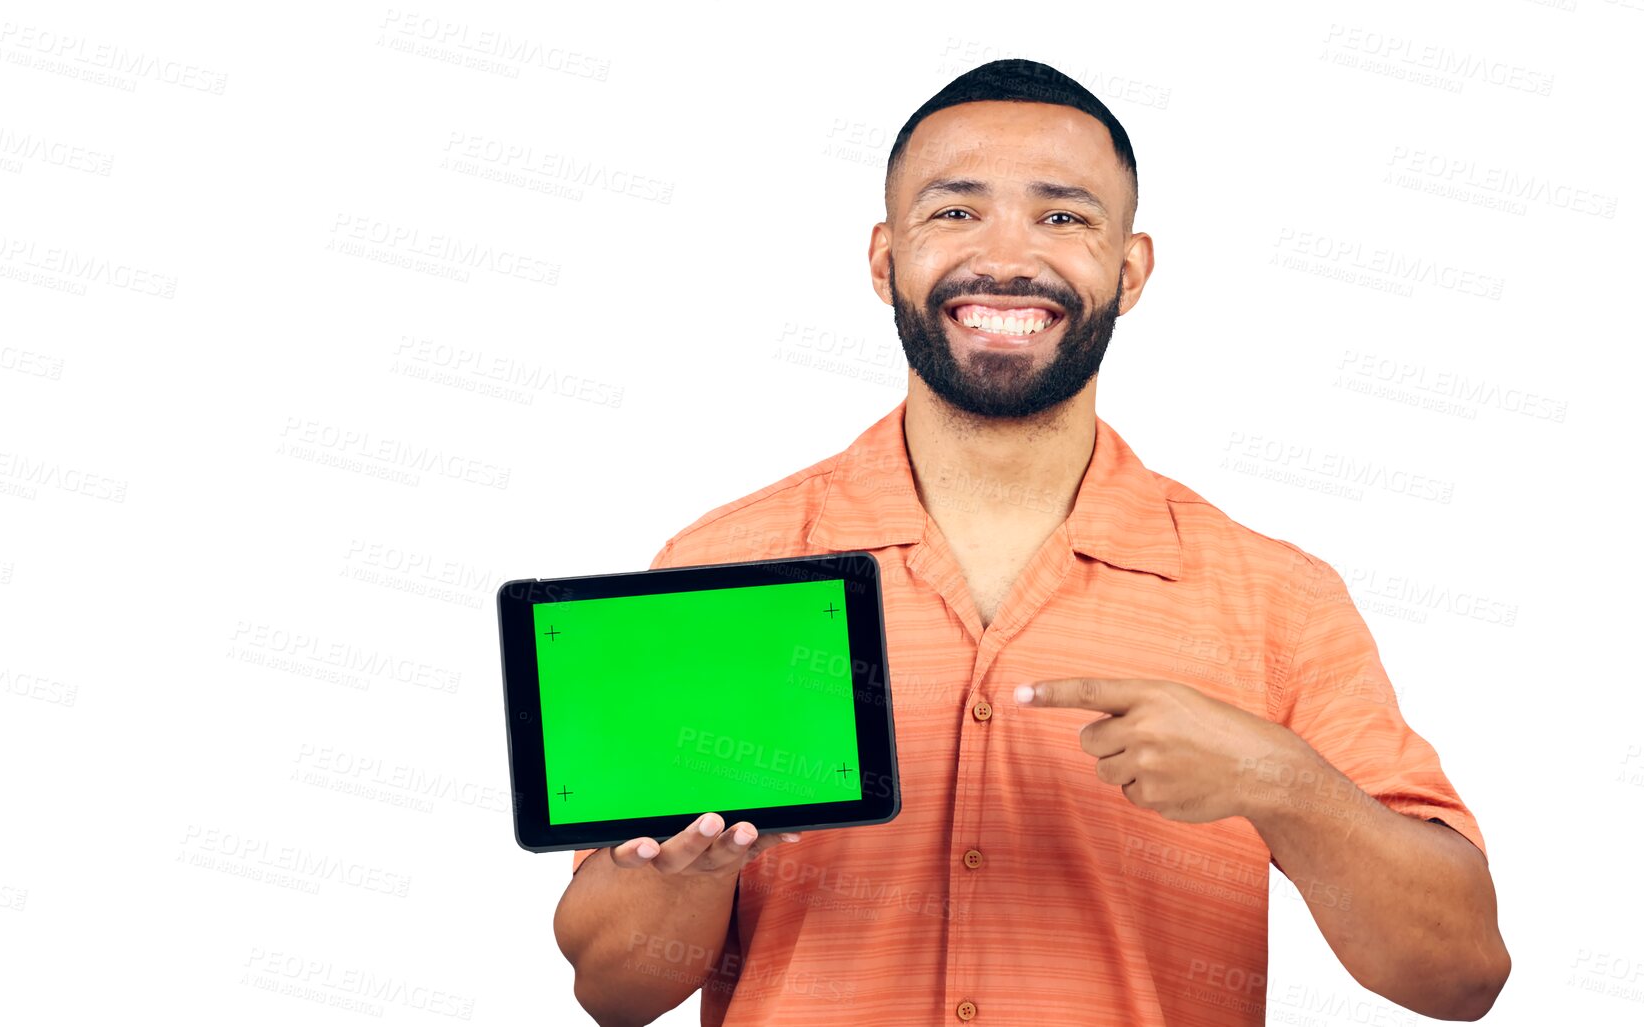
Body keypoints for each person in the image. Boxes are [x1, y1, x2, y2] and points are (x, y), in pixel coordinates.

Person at [553, 58, 1509, 1027]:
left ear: (1130, 270)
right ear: (884, 258)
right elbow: (614, 992)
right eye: (955, 212)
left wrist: (1278, 779)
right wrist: (686, 879)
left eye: (1063, 216)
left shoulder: (1279, 598)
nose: (1007, 257)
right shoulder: (724, 566)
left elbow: (1459, 974)